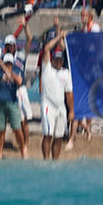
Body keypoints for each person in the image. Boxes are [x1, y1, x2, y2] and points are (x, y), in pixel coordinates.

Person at [37, 29, 75, 160]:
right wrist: (59, 36)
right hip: (48, 106)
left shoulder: (65, 73)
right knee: (48, 134)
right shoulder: (47, 68)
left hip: (61, 108)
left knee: (59, 137)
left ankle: (56, 160)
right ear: (52, 60)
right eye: (56, 59)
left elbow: (69, 93)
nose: (59, 62)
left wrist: (71, 110)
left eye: (60, 60)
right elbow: (47, 48)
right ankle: (46, 159)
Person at [0, 33, 27, 158]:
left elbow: (19, 81)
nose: (8, 64)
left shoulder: (16, 70)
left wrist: (10, 72)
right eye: (6, 62)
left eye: (9, 63)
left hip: (12, 101)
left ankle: (23, 149)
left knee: (17, 128)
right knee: (1, 130)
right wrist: (3, 67)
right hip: (0, 102)